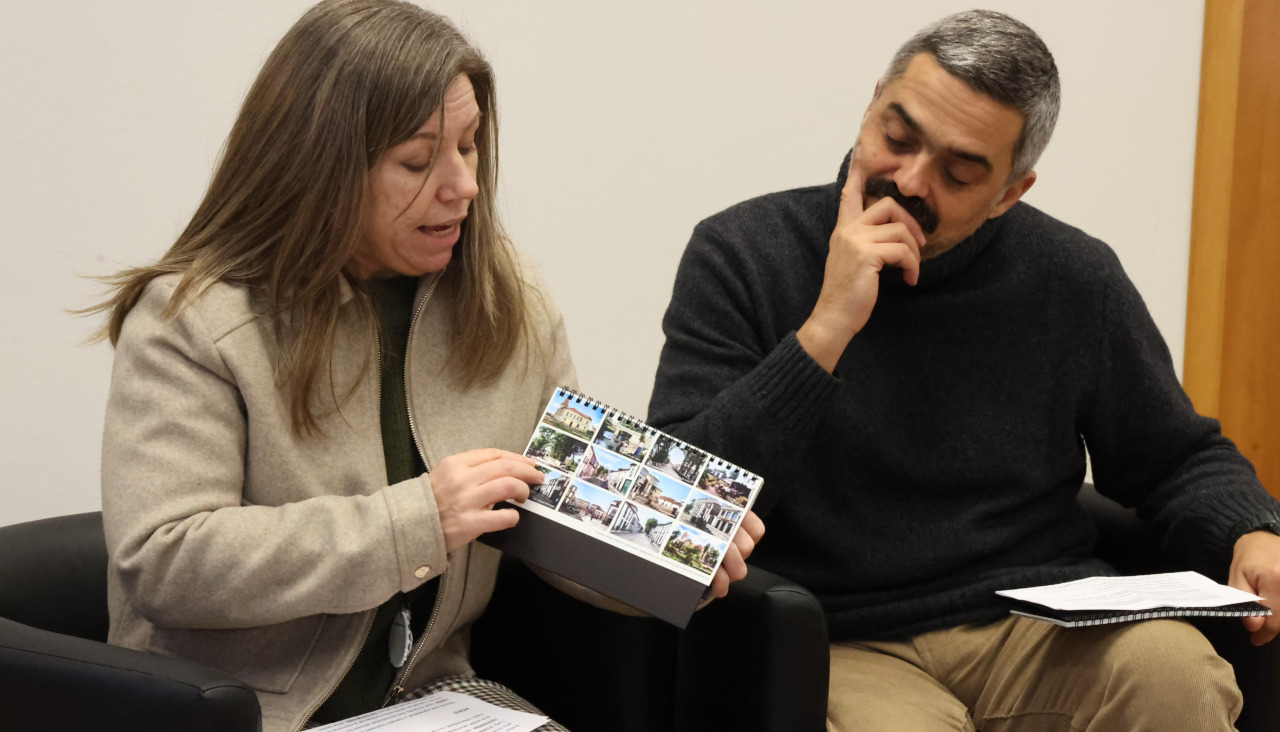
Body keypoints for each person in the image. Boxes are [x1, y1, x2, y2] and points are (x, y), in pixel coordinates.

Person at [89, 2, 762, 730]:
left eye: (469, 148)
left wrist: (673, 555)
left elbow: (551, 521)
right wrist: (417, 521)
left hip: (435, 707)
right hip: (246, 715)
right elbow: (164, 561)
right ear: (319, 166)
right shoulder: (192, 318)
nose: (462, 185)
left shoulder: (511, 305)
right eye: (418, 160)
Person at [647, 9, 1280, 732]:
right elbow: (677, 504)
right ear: (872, 100)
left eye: (958, 171)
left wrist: (1252, 530)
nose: (910, 181)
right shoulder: (742, 254)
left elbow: (1176, 456)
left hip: (1034, 619)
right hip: (843, 633)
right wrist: (826, 328)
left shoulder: (1073, 279)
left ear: (1010, 192)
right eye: (897, 136)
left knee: (1180, 676)